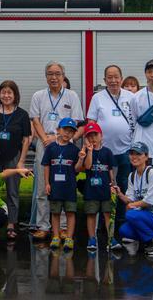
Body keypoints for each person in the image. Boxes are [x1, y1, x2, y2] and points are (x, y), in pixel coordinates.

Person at [28, 61, 84, 240]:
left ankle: (63, 228)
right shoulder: (38, 95)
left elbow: (75, 121)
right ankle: (43, 226)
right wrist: (45, 139)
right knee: (44, 187)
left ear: (63, 76)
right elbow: (35, 119)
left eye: (57, 74)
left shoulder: (72, 96)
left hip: (66, 144)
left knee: (64, 186)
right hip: (44, 144)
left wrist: (59, 137)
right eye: (50, 74)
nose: (54, 77)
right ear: (46, 77)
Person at [86, 64, 134, 247]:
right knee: (102, 188)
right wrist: (90, 144)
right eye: (109, 77)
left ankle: (120, 224)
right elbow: (91, 122)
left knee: (121, 188)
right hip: (103, 153)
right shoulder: (98, 98)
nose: (113, 80)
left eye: (116, 77)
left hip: (125, 152)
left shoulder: (131, 97)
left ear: (121, 78)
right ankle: (99, 228)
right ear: (104, 80)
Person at [0, 80, 31, 240]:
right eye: (3, 92)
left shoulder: (22, 114)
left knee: (12, 192)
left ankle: (11, 223)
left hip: (13, 158)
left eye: (9, 92)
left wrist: (21, 161)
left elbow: (26, 139)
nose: (6, 95)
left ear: (15, 95)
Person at [113, 141, 153, 256]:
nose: (134, 156)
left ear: (146, 156)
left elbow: (150, 201)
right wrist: (119, 194)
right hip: (146, 217)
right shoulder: (132, 175)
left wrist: (133, 205)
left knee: (130, 214)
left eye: (138, 154)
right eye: (131, 153)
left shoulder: (152, 173)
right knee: (124, 230)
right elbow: (130, 200)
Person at [41, 118, 81, 250]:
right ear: (58, 130)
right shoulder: (51, 148)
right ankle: (56, 236)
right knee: (55, 212)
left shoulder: (74, 150)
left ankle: (69, 237)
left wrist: (81, 159)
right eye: (65, 130)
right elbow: (46, 166)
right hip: (55, 186)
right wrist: (47, 183)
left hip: (69, 187)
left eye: (71, 131)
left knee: (70, 212)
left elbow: (77, 170)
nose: (67, 134)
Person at [76, 121, 115, 251]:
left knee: (107, 214)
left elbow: (110, 170)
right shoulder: (85, 152)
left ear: (101, 135)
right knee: (91, 214)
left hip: (105, 190)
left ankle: (111, 238)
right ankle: (92, 238)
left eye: (95, 135)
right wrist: (90, 151)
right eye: (89, 136)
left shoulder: (107, 152)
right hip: (91, 190)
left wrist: (113, 184)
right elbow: (87, 166)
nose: (93, 138)